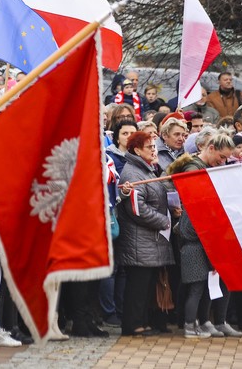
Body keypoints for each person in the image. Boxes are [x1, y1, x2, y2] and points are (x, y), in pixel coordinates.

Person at [168, 133, 242, 339]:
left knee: (209, 284)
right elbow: (198, 205)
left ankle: (206, 322)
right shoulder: (194, 169)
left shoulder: (205, 168)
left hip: (206, 237)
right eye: (221, 157)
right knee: (197, 288)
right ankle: (193, 324)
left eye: (226, 158)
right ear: (210, 148)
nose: (223, 162)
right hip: (197, 238)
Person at [114, 130, 175, 336]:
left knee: (147, 286)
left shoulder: (148, 170)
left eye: (154, 146)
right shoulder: (132, 172)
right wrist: (163, 221)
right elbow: (136, 208)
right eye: (149, 147)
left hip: (150, 241)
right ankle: (132, 325)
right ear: (137, 150)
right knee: (137, 287)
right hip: (139, 240)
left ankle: (143, 322)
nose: (154, 150)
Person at [101, 119, 138, 328]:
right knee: (112, 268)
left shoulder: (139, 158)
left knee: (122, 269)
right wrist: (122, 193)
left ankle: (121, 309)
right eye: (125, 133)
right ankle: (109, 312)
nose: (130, 137)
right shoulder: (110, 159)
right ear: (116, 137)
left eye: (133, 133)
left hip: (129, 222)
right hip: (112, 220)